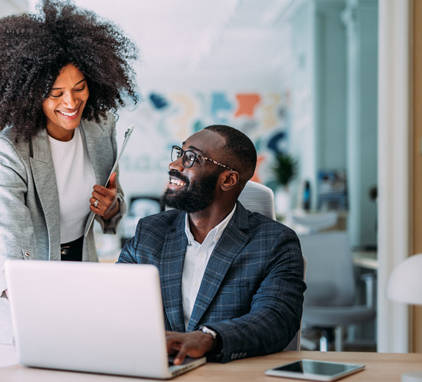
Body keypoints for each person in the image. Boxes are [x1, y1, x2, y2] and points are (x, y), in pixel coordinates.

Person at [0, 0, 139, 344]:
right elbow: (8, 226)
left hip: (82, 270)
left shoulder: (99, 126)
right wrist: (19, 290)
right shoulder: (8, 150)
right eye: (56, 93)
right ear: (30, 94)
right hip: (27, 277)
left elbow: (114, 199)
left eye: (79, 88)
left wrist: (112, 206)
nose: (71, 102)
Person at [118, 125, 306, 364]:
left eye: (190, 158)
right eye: (179, 153)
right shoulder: (150, 232)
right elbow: (116, 301)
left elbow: (276, 318)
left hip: (228, 375)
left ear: (227, 180)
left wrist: (209, 338)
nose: (174, 165)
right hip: (156, 370)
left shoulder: (274, 243)